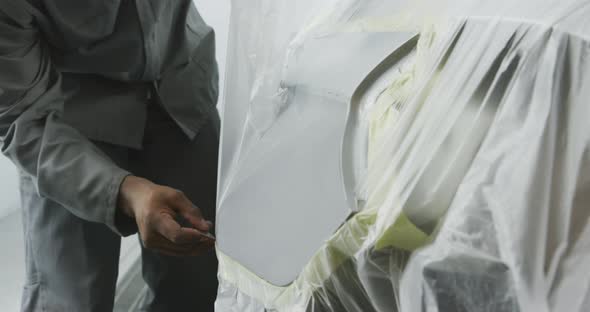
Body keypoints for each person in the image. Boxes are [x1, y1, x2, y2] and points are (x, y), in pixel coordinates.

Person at [0, 0, 221, 311]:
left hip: (179, 82)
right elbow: (23, 120)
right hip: (67, 127)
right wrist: (128, 192)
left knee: (199, 277)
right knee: (71, 299)